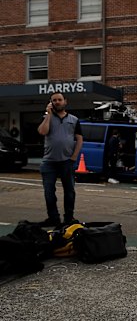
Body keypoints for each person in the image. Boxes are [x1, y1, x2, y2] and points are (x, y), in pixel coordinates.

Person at [37, 92, 83, 227]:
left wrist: (74, 157)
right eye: (54, 100)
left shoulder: (74, 119)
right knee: (49, 192)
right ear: (51, 103)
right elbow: (42, 132)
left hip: (67, 162)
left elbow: (79, 138)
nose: (57, 102)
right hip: (49, 162)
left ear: (65, 101)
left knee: (69, 191)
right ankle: (53, 218)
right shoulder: (48, 117)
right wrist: (48, 115)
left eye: (59, 100)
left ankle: (69, 218)